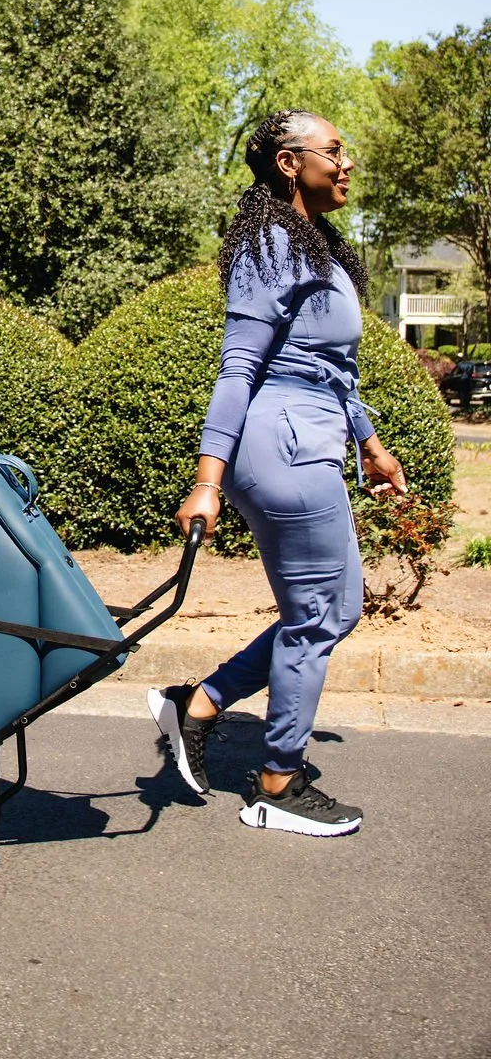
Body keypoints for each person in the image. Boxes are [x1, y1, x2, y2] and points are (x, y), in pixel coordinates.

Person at [148, 110, 407, 837]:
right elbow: (239, 368)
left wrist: (370, 442)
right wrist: (207, 479)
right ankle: (276, 783)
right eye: (334, 150)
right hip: (281, 444)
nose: (346, 162)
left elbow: (329, 366)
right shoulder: (269, 246)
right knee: (320, 615)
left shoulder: (314, 245)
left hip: (313, 432)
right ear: (290, 163)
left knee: (334, 608)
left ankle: (198, 705)